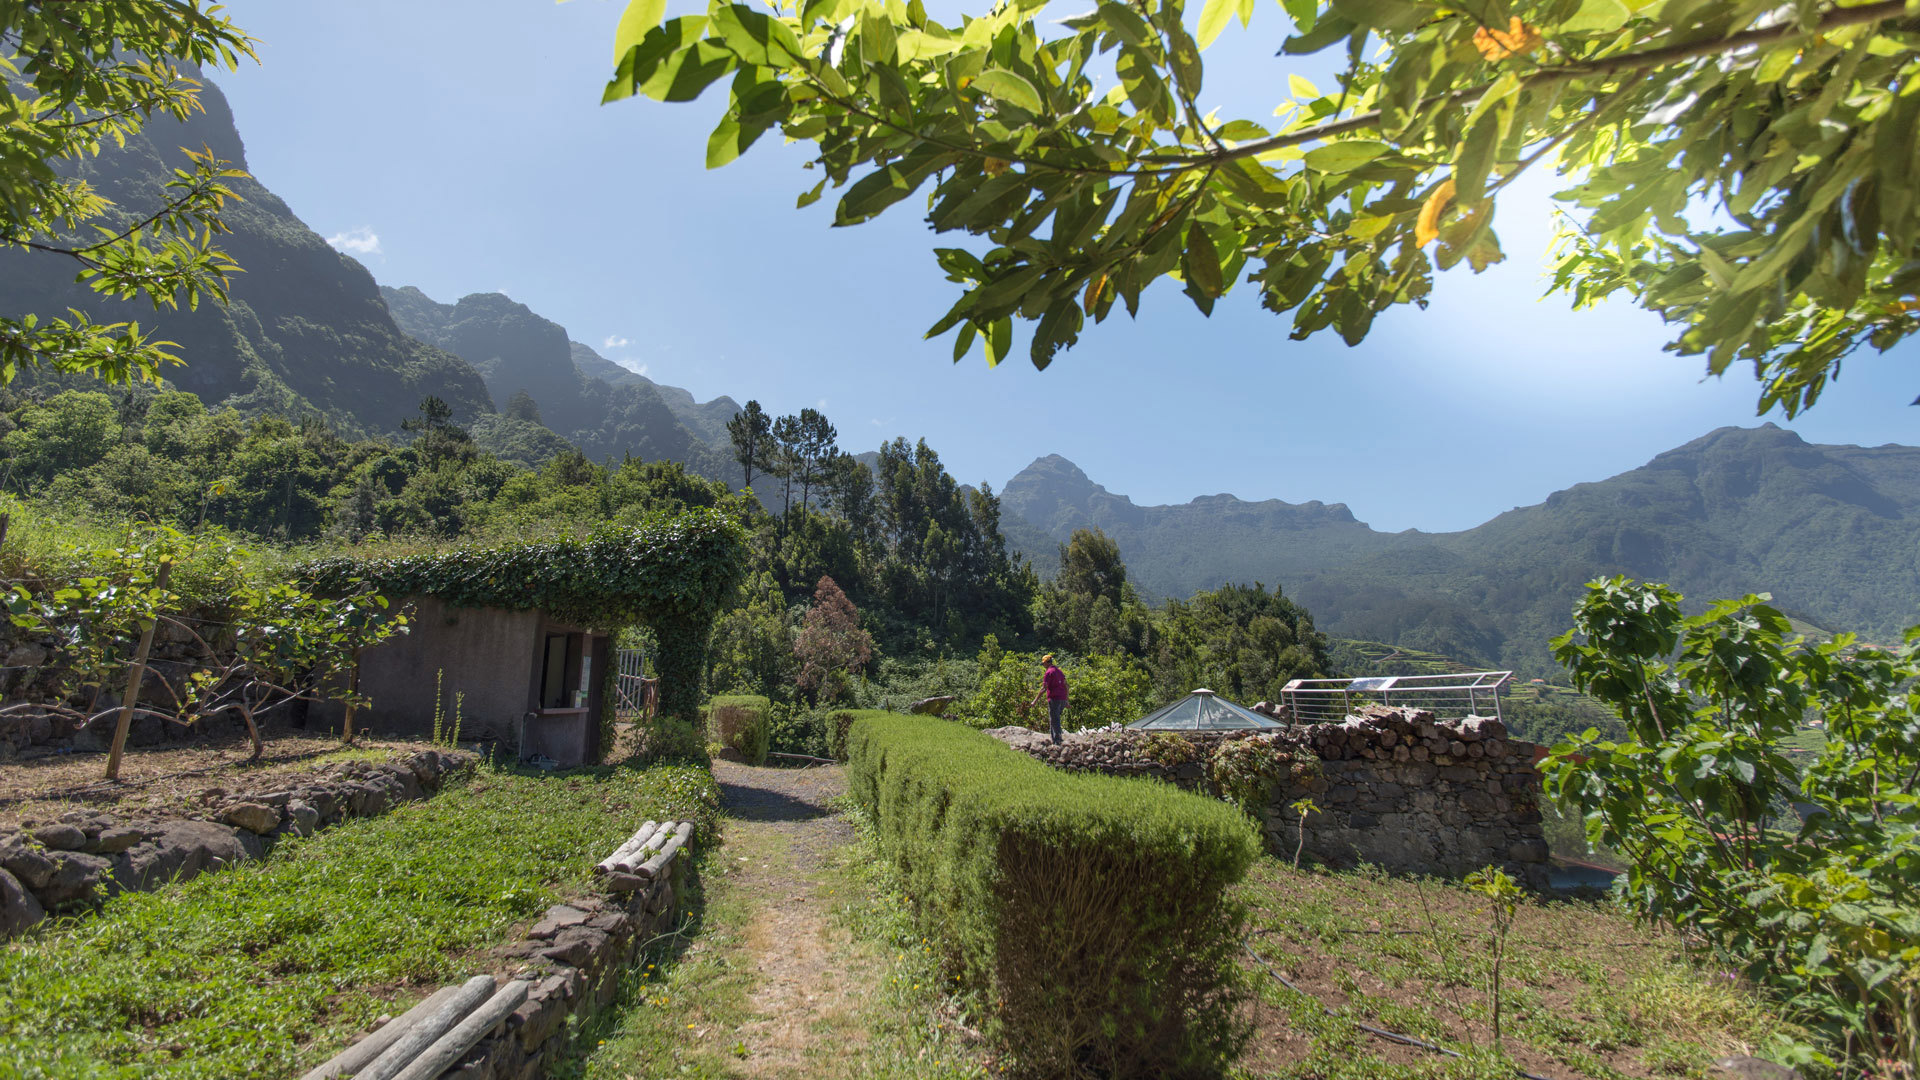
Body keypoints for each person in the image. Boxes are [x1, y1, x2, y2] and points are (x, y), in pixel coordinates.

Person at [1028, 653, 1069, 745]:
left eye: (1043, 664)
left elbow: (1044, 688)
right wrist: (1066, 700)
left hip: (1054, 698)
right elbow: (1066, 685)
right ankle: (1054, 739)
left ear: (1047, 663)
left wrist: (1035, 701)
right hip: (1062, 698)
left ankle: (1058, 741)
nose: (1043, 666)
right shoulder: (1059, 671)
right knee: (1054, 718)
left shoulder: (1048, 672)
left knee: (1055, 719)